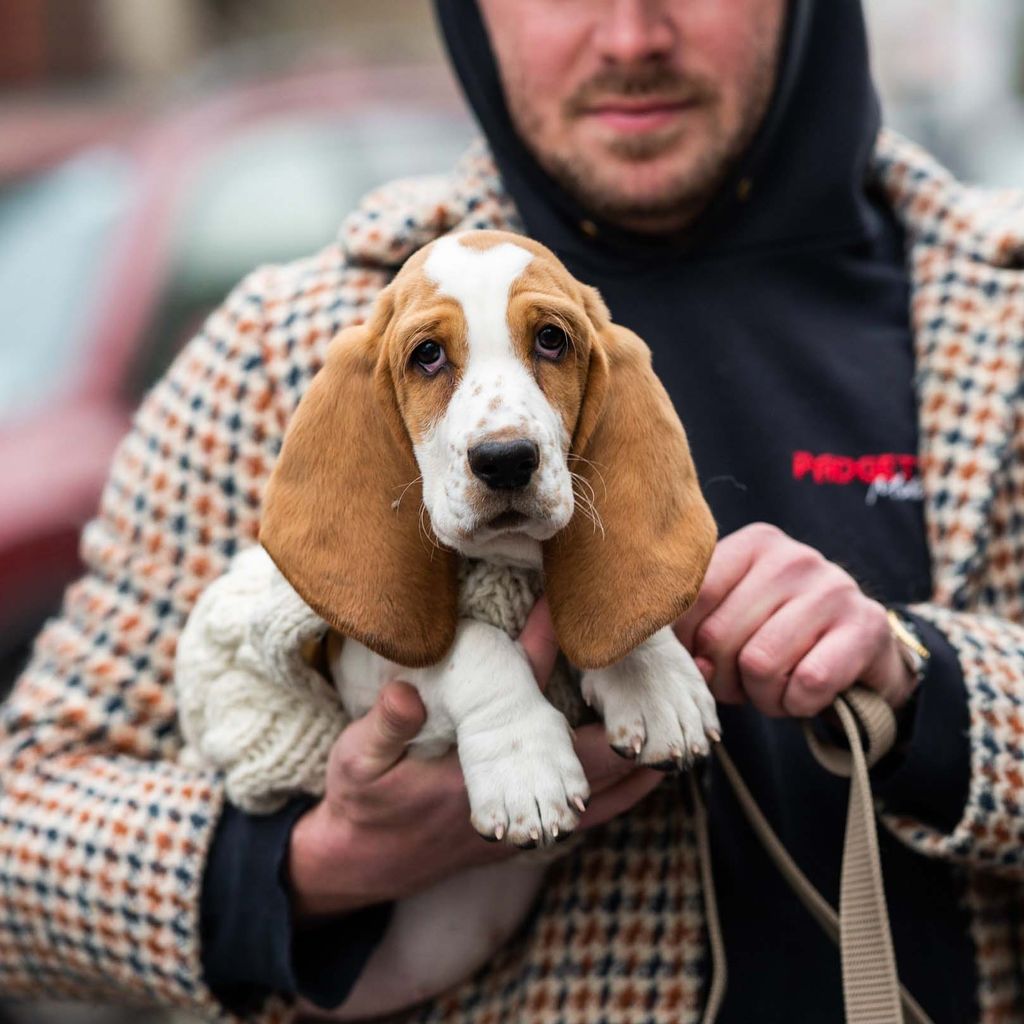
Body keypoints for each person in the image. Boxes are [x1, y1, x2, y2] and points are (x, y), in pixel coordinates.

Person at [1, 0, 1022, 1021]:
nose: (629, 39)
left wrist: (926, 686)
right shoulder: (283, 345)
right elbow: (20, 838)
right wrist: (304, 866)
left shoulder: (999, 320)